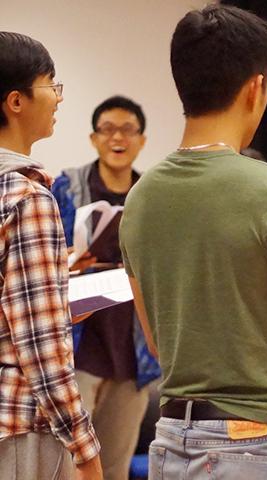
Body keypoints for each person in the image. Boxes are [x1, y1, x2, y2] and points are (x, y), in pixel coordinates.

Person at [119, 6, 267, 479]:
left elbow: (158, 340)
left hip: (170, 436)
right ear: (256, 87)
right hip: (254, 443)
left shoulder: (140, 198)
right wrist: (260, 399)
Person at [0, 31, 103, 480]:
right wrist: (86, 449)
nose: (58, 98)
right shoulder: (28, 198)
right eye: (50, 83)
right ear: (16, 101)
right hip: (18, 427)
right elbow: (43, 351)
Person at [51, 95, 160, 480]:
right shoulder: (67, 187)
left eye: (128, 130)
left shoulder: (153, 192)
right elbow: (48, 256)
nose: (118, 138)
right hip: (78, 346)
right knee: (66, 465)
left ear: (142, 140)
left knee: (114, 468)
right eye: (108, 129)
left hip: (132, 352)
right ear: (94, 138)